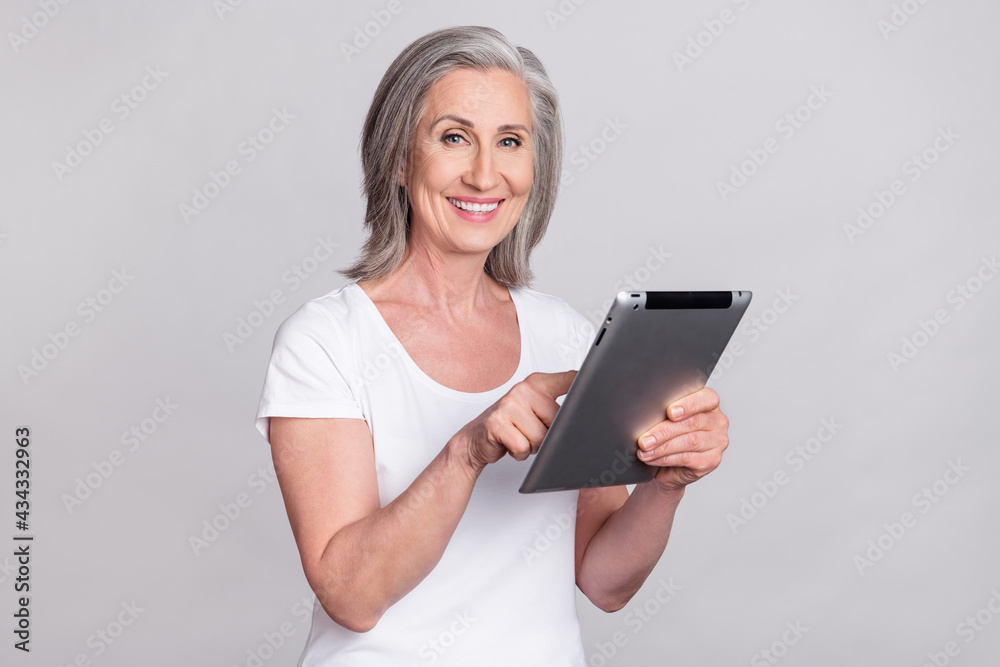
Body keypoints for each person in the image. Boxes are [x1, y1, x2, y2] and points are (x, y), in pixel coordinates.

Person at [254, 25, 730, 666]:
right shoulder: (324, 342)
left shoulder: (562, 334)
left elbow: (604, 581)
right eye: (454, 138)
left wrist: (667, 482)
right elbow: (352, 595)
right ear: (399, 159)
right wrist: (467, 452)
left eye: (510, 142)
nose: (485, 175)